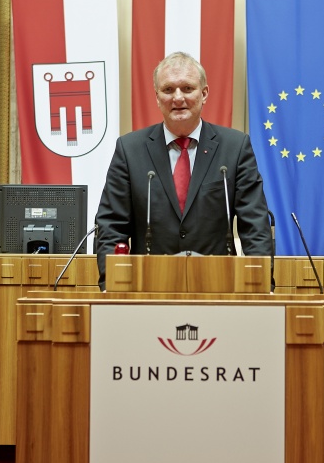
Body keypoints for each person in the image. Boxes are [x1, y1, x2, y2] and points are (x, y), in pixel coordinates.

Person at [95, 51, 273, 289]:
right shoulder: (129, 150)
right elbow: (110, 226)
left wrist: (261, 285)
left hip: (218, 289)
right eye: (168, 90)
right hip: (146, 290)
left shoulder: (235, 147)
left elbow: (255, 226)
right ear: (157, 97)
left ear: (204, 93)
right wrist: (111, 285)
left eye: (187, 88)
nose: (177, 98)